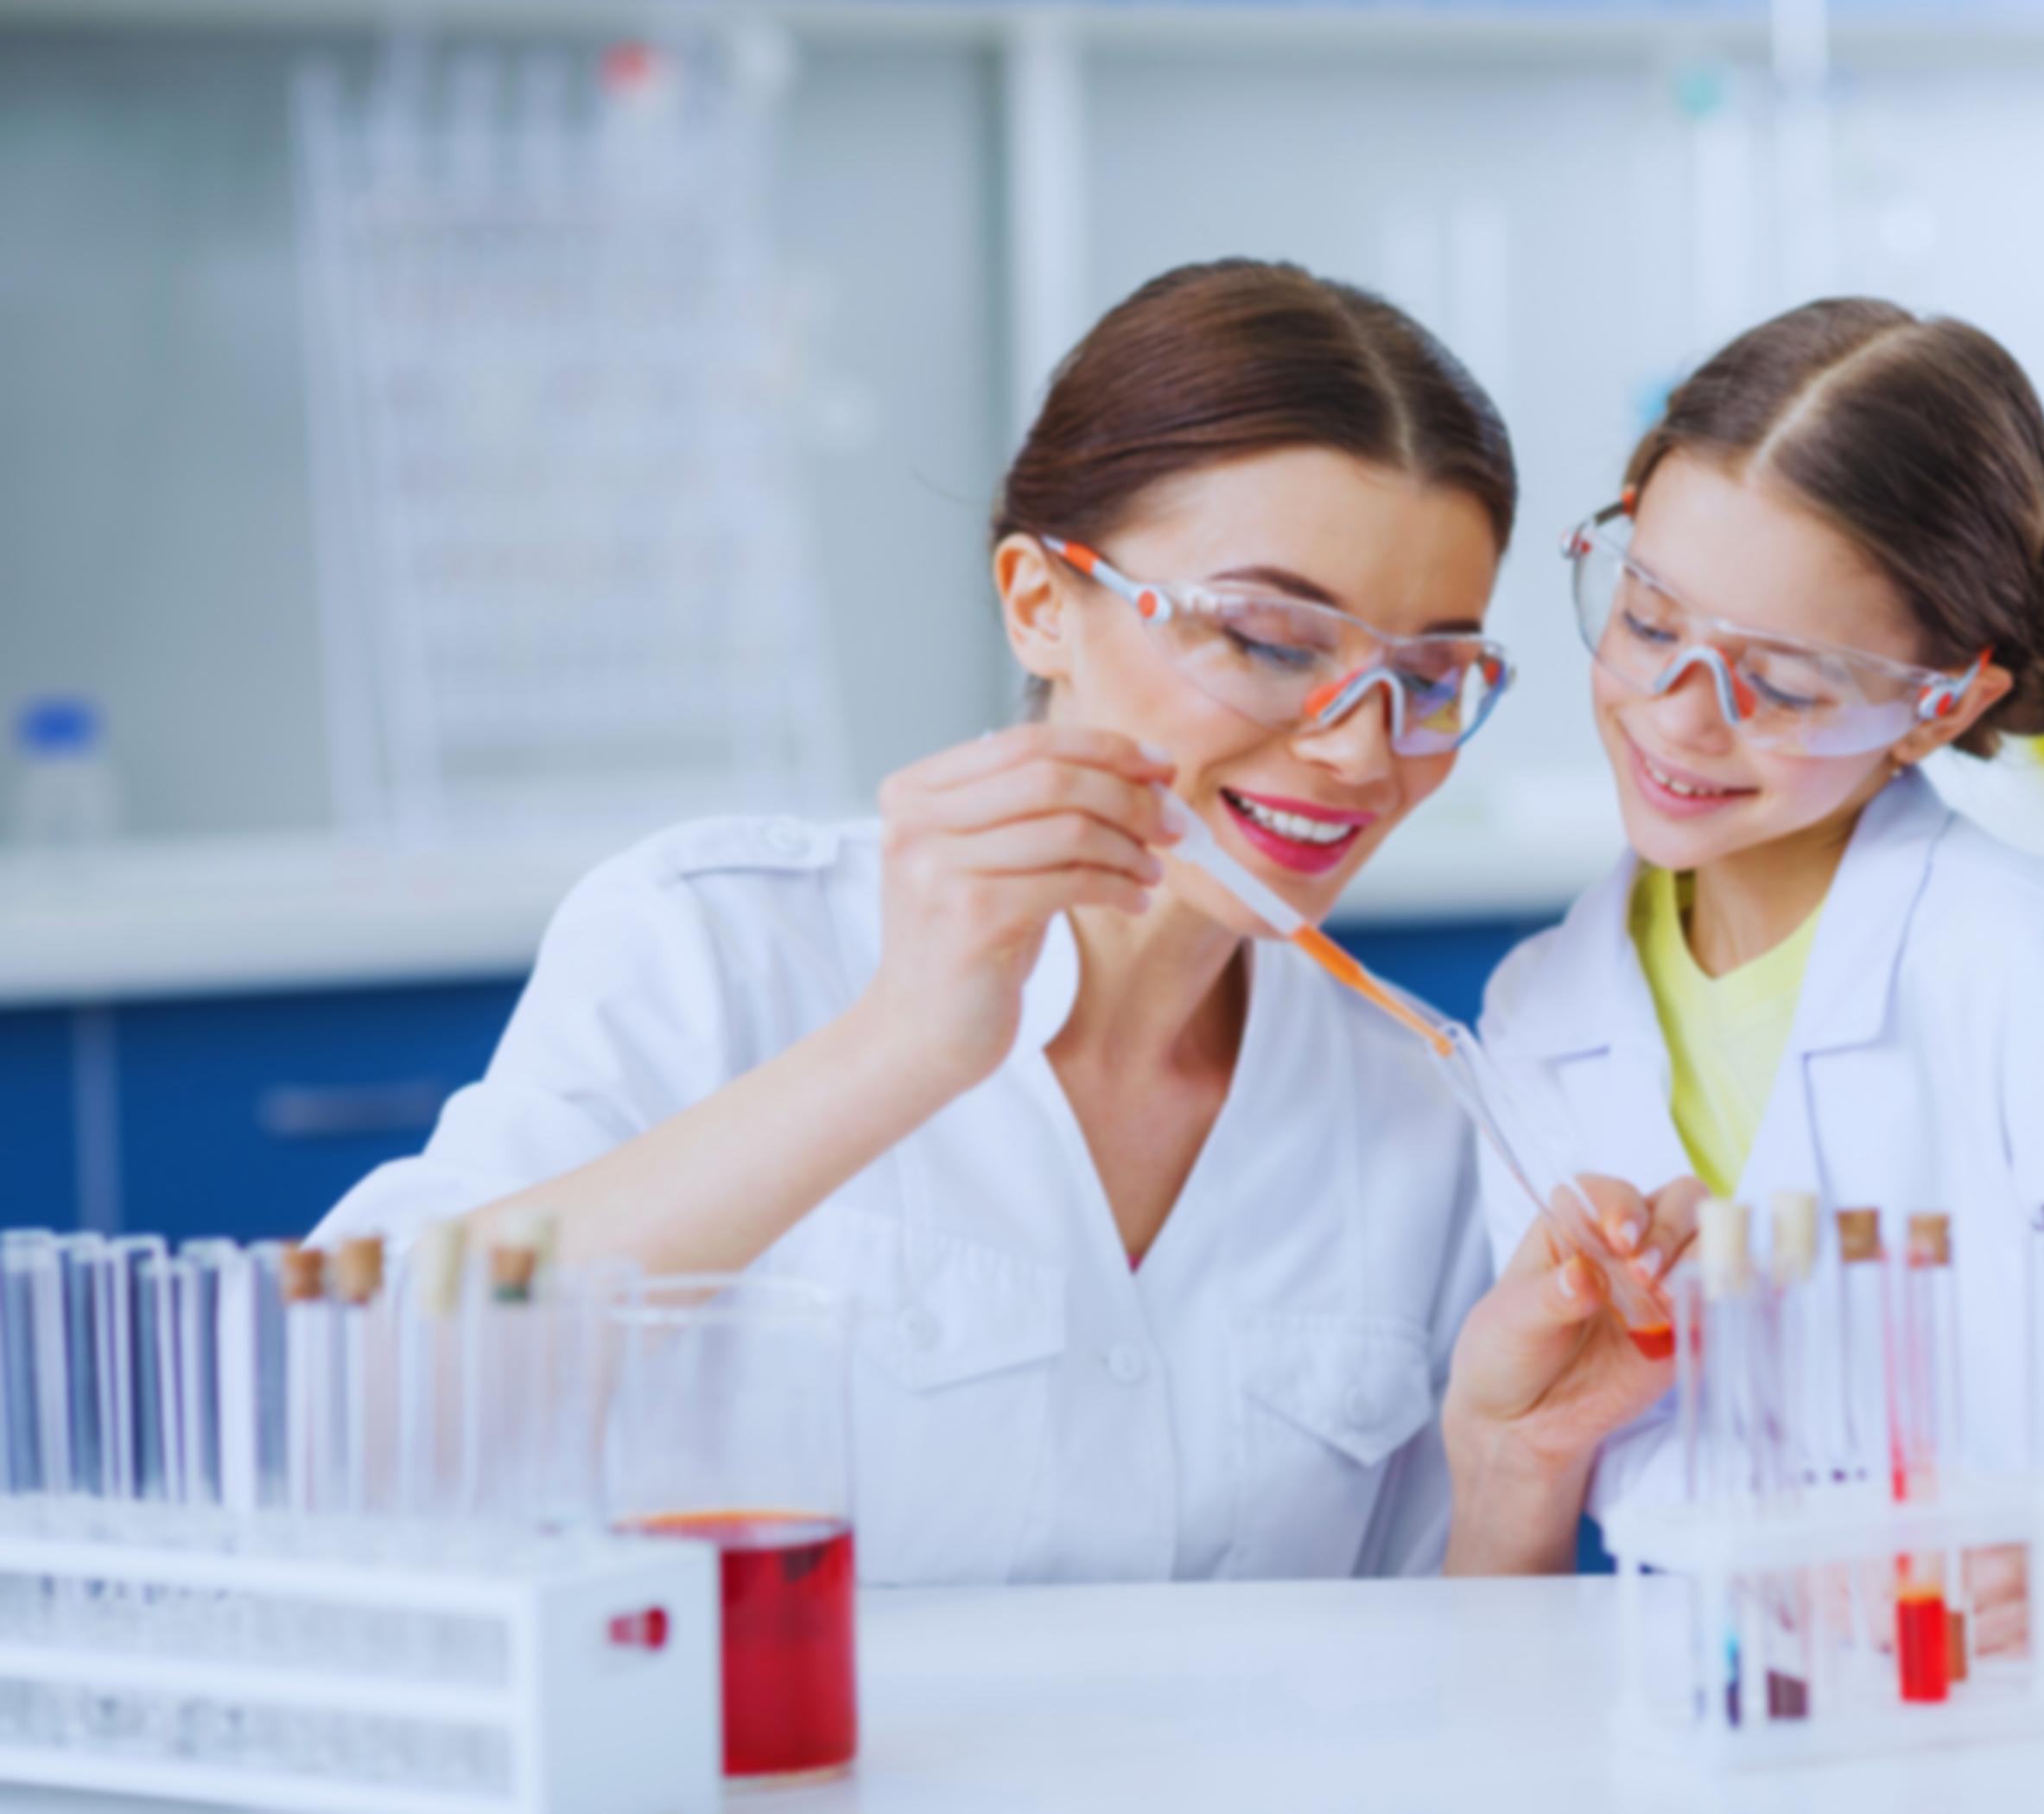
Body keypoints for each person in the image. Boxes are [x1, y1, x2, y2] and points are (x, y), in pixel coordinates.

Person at [313, 257, 1692, 1587]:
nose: (1359, 751)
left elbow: (1425, 1704)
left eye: (1430, 674)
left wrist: (1518, 1478)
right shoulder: (713, 945)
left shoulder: (1423, 1115)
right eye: (1273, 641)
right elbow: (347, 1429)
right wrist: (901, 1046)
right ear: (1041, 604)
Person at [1467, 299, 2044, 1619]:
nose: (1681, 719)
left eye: (1793, 684)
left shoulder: (2019, 958)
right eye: (1648, 621)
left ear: (1946, 707)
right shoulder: (1541, 1013)